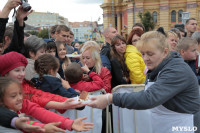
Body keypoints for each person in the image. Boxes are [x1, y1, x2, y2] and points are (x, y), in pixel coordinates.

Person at [88, 31, 200, 133]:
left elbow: (149, 98)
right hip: (164, 125)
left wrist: (110, 98)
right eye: (143, 54)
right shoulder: (156, 68)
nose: (145, 58)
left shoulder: (177, 70)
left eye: (150, 54)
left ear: (165, 52)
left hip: (184, 125)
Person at [0, 77, 93, 132]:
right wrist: (43, 127)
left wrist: (69, 123)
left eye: (20, 93)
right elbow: (25, 123)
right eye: (13, 96)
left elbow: (43, 114)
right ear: (1, 100)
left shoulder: (24, 103)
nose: (20, 98)